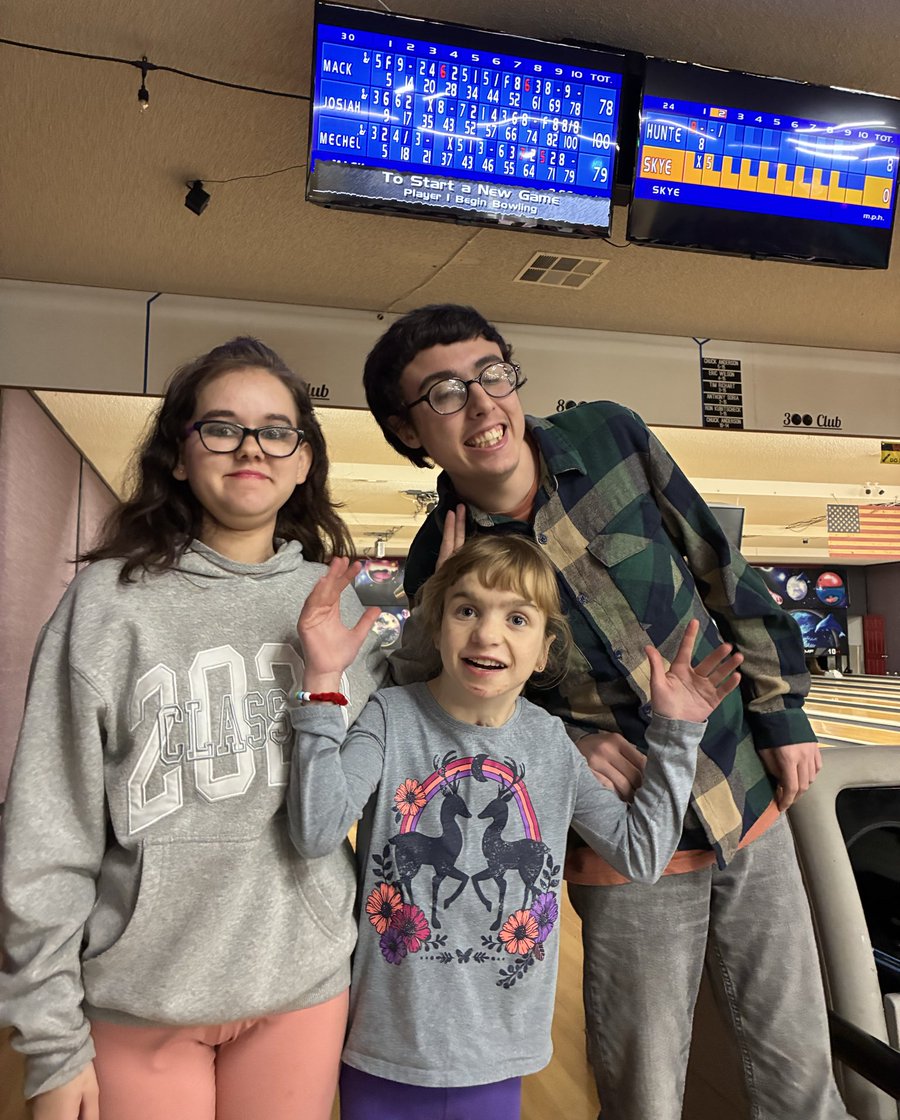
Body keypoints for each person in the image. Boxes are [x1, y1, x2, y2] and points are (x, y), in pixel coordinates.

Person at [362, 304, 852, 1120]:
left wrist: (782, 712)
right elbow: (460, 716)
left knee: (799, 1075)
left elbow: (720, 568)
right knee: (644, 1094)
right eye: (445, 393)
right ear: (407, 430)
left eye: (491, 374)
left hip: (741, 790)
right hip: (624, 840)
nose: (483, 406)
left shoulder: (609, 437)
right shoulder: (435, 560)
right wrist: (563, 741)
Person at [0, 337, 385, 1120]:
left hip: (299, 984)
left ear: (304, 460)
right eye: (221, 427)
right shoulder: (109, 603)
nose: (252, 447)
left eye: (278, 430)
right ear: (179, 455)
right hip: (141, 994)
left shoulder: (343, 602)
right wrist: (51, 1045)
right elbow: (49, 829)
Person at [288, 533, 741, 1120]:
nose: (487, 633)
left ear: (544, 650)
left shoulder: (551, 743)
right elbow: (316, 831)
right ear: (439, 624)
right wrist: (322, 686)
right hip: (385, 1042)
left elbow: (642, 856)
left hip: (500, 1047)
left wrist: (676, 738)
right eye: (467, 609)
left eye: (517, 618)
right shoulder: (390, 716)